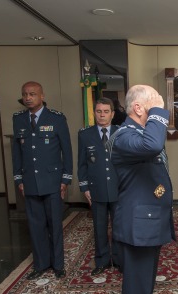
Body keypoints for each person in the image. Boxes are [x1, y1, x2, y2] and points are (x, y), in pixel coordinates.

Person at [110, 85, 173, 294]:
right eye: (155, 105)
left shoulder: (137, 133)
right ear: (139, 108)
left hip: (147, 223)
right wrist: (159, 110)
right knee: (136, 291)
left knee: (144, 289)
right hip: (138, 227)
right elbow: (153, 146)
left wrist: (155, 111)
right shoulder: (124, 135)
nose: (161, 110)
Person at [12, 81, 73, 280]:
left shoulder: (56, 118)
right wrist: (19, 177)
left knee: (54, 224)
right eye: (25, 94)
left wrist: (65, 178)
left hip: (53, 181)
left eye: (32, 94)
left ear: (42, 96)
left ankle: (58, 264)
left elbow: (67, 150)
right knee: (35, 226)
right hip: (29, 181)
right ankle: (40, 264)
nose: (28, 98)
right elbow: (16, 152)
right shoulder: (18, 119)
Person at [77, 98, 121, 275]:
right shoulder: (85, 134)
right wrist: (84, 187)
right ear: (94, 113)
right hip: (96, 189)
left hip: (118, 188)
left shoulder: (121, 133)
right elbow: (82, 163)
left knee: (119, 227)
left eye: (106, 112)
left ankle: (118, 260)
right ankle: (102, 260)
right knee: (99, 227)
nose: (102, 115)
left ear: (112, 114)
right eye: (99, 111)